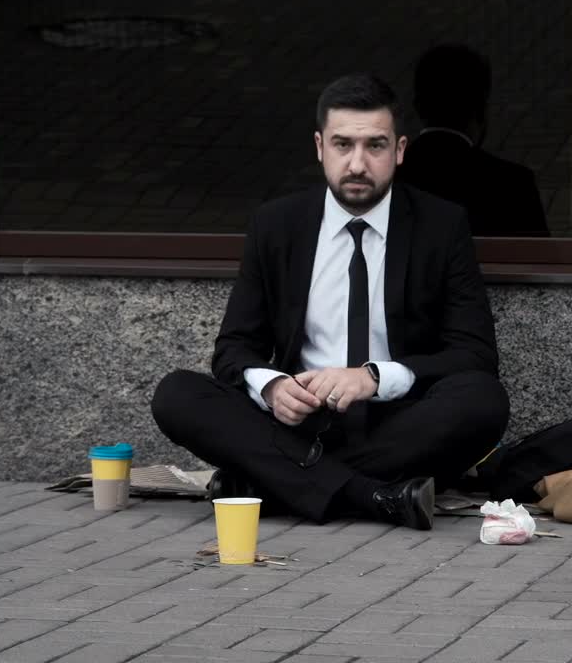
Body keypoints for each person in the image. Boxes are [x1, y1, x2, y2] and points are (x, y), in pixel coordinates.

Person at [151, 74, 510, 530]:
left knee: (484, 400)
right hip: (297, 422)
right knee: (178, 394)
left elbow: (475, 354)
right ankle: (372, 495)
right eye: (343, 145)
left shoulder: (441, 226)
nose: (357, 163)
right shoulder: (277, 225)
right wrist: (273, 388)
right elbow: (234, 348)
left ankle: (271, 482)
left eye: (375, 146)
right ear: (320, 147)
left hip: (396, 423)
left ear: (400, 150)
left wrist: (373, 378)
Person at [397, 44, 550, 237]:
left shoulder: (385, 178)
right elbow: (537, 254)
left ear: (418, 108)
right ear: (480, 109)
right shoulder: (514, 185)